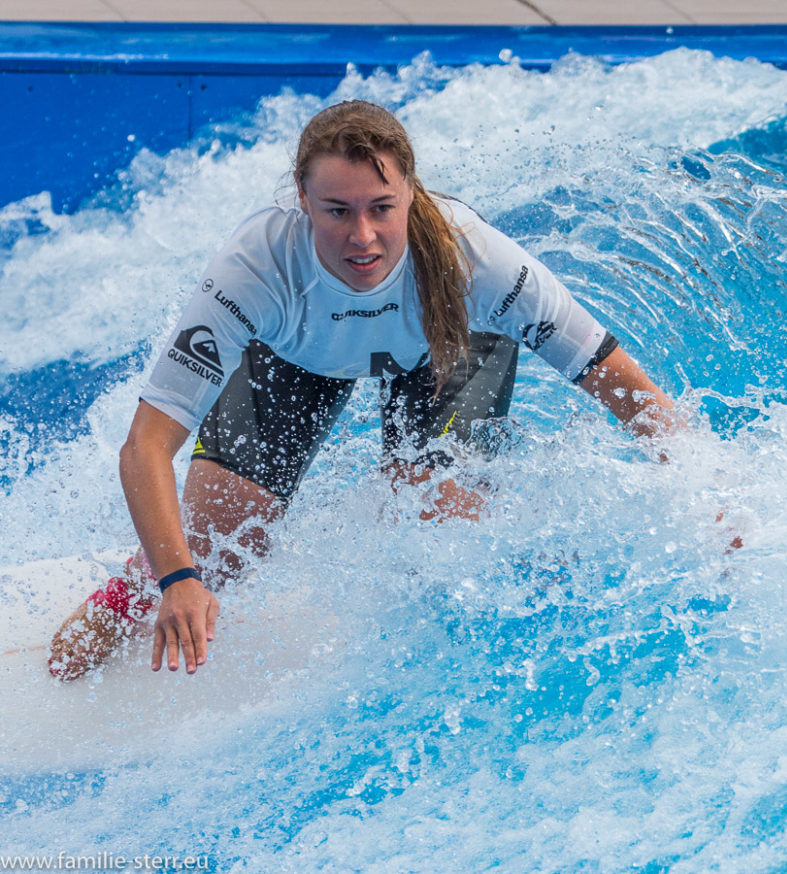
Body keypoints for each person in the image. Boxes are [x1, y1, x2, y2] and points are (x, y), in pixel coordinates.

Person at [47, 100, 679, 681]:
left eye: (381, 207)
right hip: (298, 356)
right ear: (302, 198)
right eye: (337, 211)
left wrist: (701, 480)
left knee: (434, 506)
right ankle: (95, 631)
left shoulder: (474, 259)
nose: (362, 236)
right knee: (221, 543)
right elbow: (146, 445)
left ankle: (474, 633)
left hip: (447, 341)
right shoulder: (257, 268)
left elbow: (614, 377)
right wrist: (179, 578)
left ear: (410, 191)